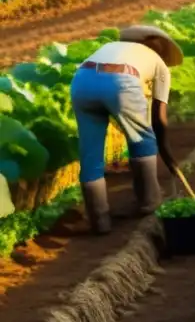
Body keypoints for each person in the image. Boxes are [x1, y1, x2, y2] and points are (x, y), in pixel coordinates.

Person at [71, 25, 184, 235]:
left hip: (81, 81)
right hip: (120, 81)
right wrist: (168, 156)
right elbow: (159, 118)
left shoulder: (112, 47)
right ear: (159, 48)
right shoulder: (159, 63)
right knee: (143, 140)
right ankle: (149, 203)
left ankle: (99, 221)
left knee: (91, 154)